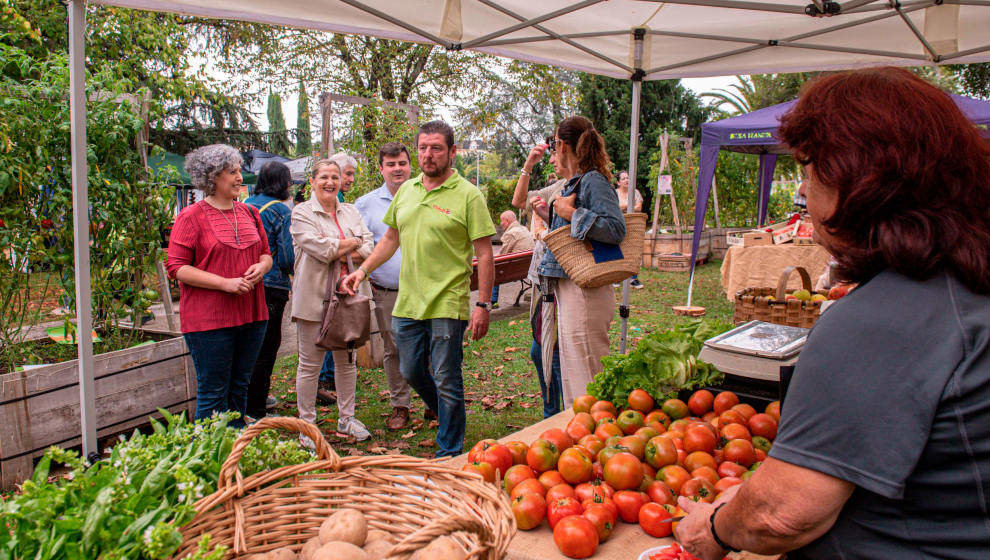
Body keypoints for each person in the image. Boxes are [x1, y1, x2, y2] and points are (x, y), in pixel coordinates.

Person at [674, 67, 990, 559]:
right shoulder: (965, 283)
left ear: (861, 185)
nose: (802, 194)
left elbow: (779, 514)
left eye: (807, 171)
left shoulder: (881, 320)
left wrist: (713, 528)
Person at [341, 120, 496, 457]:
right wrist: (363, 271)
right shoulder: (408, 190)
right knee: (411, 370)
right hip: (408, 302)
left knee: (446, 376)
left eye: (436, 148)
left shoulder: (468, 195)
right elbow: (391, 239)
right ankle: (447, 411)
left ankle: (449, 449)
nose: (428, 154)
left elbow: (484, 253)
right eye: (423, 147)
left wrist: (483, 304)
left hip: (447, 301)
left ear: (452, 152)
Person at [165, 144, 272, 428]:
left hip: (252, 316)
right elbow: (176, 268)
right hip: (210, 321)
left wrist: (262, 267)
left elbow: (266, 254)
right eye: (232, 172)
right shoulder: (191, 216)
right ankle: (209, 461)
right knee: (213, 393)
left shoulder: (249, 213)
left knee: (240, 388)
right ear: (212, 177)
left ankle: (235, 456)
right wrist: (224, 283)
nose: (240, 177)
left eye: (239, 170)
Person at [532, 116, 624, 408]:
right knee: (575, 377)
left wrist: (572, 214)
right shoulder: (576, 182)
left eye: (554, 145)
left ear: (560, 145)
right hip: (573, 286)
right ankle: (584, 441)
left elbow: (615, 228)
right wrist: (557, 214)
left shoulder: (593, 180)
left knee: (587, 376)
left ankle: (598, 440)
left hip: (586, 289)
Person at [290, 159, 375, 441]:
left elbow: (371, 246)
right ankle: (308, 426)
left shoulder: (350, 211)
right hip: (314, 300)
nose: (330, 182)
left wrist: (339, 248)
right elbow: (317, 247)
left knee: (347, 361)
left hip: (349, 298)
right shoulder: (302, 213)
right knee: (310, 365)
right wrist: (352, 244)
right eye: (324, 177)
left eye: (335, 177)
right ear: (312, 181)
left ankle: (347, 419)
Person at [353, 142, 415, 431]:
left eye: (401, 163)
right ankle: (400, 406)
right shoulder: (364, 205)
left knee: (429, 346)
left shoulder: (423, 195)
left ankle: (433, 403)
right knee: (393, 349)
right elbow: (358, 244)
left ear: (409, 165)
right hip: (387, 291)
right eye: (390, 164)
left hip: (425, 289)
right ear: (381, 168)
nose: (397, 169)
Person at [512, 141, 566, 418]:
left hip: (563, 284)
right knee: (540, 350)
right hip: (544, 282)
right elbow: (519, 202)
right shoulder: (556, 187)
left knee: (551, 351)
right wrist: (529, 165)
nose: (553, 159)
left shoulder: (582, 184)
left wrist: (547, 217)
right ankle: (553, 411)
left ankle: (557, 414)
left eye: (556, 153)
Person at [243, 161, 295, 420]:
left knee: (246, 346)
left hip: (242, 283)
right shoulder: (279, 211)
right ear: (282, 183)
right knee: (267, 347)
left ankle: (245, 401)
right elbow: (287, 257)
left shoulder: (244, 205)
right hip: (271, 284)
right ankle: (257, 408)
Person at [491, 210, 535, 308]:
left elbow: (502, 255)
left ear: (507, 221)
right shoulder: (524, 229)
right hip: (526, 268)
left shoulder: (511, 233)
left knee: (492, 269)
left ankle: (493, 300)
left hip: (513, 271)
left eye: (501, 221)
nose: (501, 224)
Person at [615, 170, 644, 289]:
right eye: (624, 178)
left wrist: (624, 206)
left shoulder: (635, 192)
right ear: (618, 182)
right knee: (618, 250)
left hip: (633, 225)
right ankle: (616, 277)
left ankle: (633, 278)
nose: (627, 180)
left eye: (628, 178)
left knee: (633, 250)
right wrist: (629, 205)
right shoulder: (614, 193)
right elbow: (615, 208)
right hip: (617, 224)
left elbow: (638, 207)